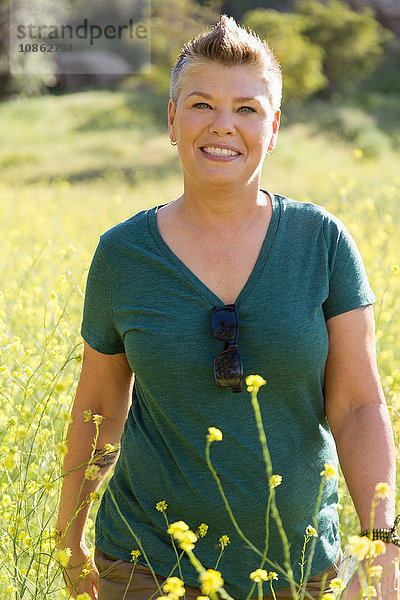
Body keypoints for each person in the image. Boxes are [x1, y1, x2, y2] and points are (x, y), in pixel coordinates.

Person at [55, 15, 399, 600]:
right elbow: (100, 404)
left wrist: (383, 549)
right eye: (200, 104)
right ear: (171, 120)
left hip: (296, 568)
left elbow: (358, 406)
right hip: (143, 563)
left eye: (247, 109)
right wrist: (69, 535)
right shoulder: (123, 255)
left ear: (274, 127)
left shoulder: (324, 242)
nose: (223, 126)